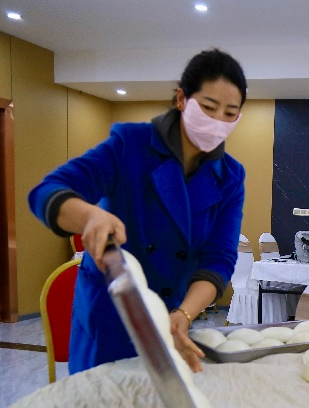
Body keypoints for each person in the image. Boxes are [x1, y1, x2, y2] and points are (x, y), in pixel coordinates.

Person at [29, 48, 247, 374]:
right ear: (181, 99)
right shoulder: (131, 146)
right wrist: (90, 215)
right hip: (112, 313)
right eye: (208, 107)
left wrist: (184, 315)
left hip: (169, 315)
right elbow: (47, 192)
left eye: (231, 113)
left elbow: (219, 257)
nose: (218, 122)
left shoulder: (230, 176)